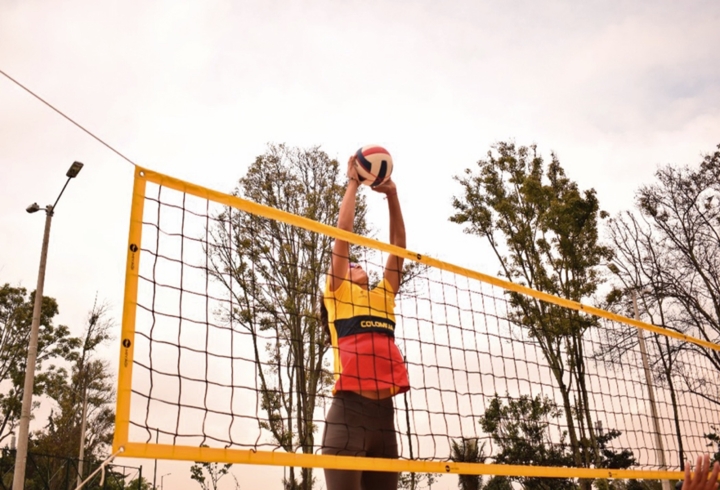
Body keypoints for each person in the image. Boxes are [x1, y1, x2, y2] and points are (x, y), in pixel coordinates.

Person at [319, 154, 410, 490]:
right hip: (348, 416)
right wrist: (353, 183)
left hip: (384, 421)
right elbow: (343, 233)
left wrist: (392, 195)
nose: (355, 264)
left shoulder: (383, 296)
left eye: (358, 263)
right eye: (350, 263)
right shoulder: (339, 295)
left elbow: (398, 246)